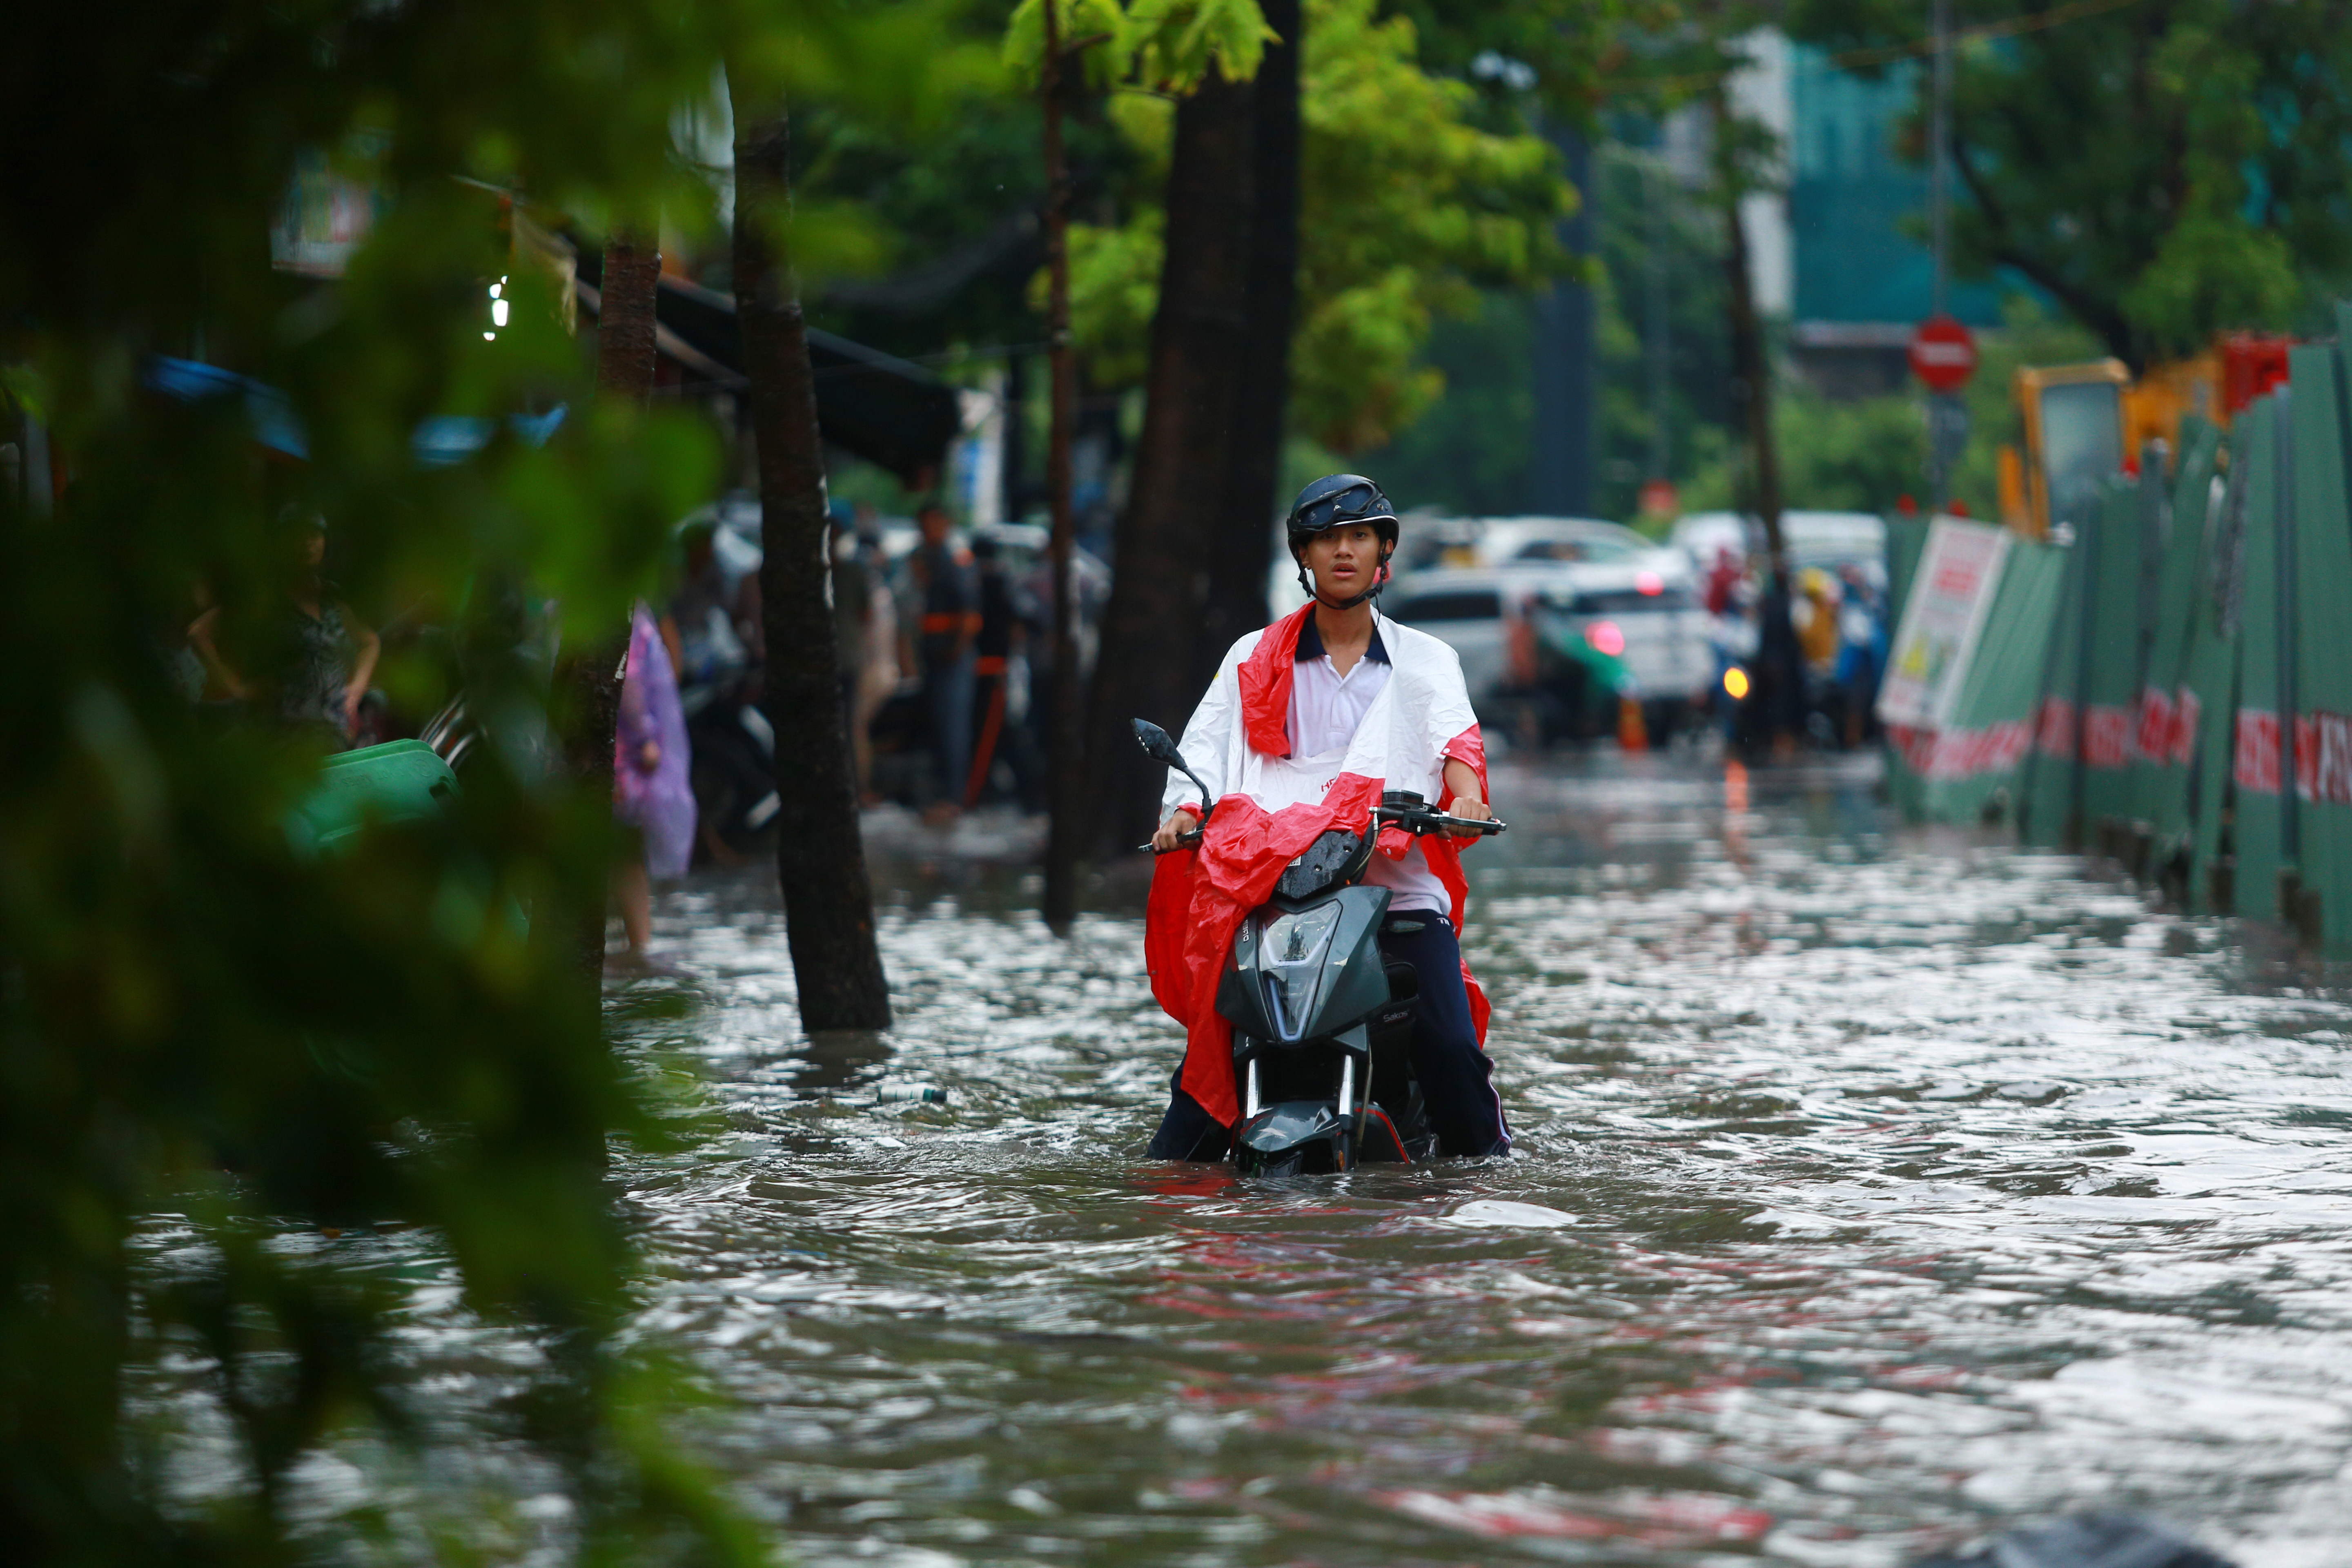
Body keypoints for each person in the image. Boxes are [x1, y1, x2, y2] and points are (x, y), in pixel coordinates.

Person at [1144, 474, 1508, 1161]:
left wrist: (1465, 802)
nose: (1344, 551)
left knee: (1455, 1052)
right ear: (1303, 556)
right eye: (1327, 539)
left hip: (1393, 892)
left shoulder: (1427, 661)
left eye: (1359, 537)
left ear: (1383, 552)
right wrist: (1183, 814)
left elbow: (1455, 745)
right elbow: (1204, 756)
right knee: (1194, 1103)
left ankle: (1487, 1174)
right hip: (1275, 896)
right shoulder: (1252, 658)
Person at [612, 602, 696, 965]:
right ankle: (638, 943)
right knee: (625, 854)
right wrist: (644, 737)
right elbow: (629, 680)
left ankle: (635, 945)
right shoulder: (625, 618)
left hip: (607, 754)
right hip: (622, 757)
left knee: (621, 854)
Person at [906, 502, 979, 820]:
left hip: (953, 658)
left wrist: (956, 649)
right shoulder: (930, 560)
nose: (925, 532)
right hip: (935, 657)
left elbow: (968, 614)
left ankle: (953, 797)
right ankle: (943, 794)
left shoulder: (955, 560)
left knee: (953, 728)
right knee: (939, 726)